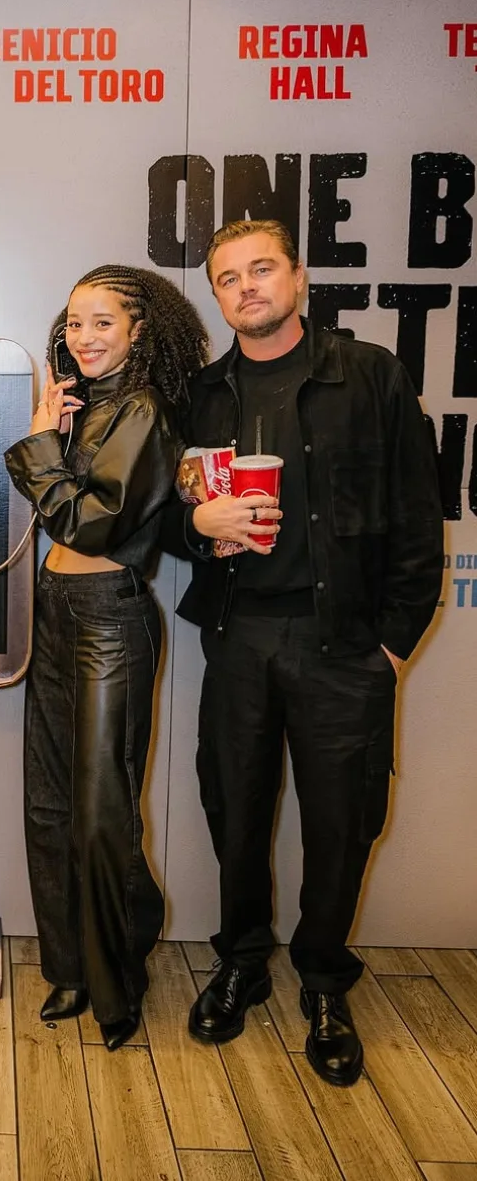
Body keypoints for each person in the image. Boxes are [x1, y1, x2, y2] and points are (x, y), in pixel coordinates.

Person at [164, 219, 443, 1087]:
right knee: (236, 813)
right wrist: (198, 524)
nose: (247, 286)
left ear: (299, 277)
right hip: (239, 637)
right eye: (228, 277)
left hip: (345, 646)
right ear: (217, 296)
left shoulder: (370, 376)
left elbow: (418, 516)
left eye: (262, 269)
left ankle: (324, 982)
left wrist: (392, 647)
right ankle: (243, 962)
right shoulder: (201, 396)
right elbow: (167, 515)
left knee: (340, 826)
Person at [4, 264, 209, 1049]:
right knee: (49, 806)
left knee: (100, 813)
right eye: (74, 323)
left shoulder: (144, 411)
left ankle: (117, 981)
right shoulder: (81, 405)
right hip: (55, 609)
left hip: (110, 620)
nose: (84, 337)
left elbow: (91, 525)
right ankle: (69, 968)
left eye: (102, 323)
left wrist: (37, 448)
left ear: (138, 330)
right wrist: (53, 433)